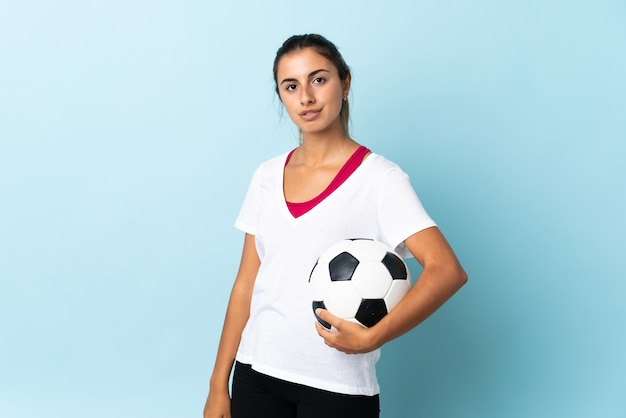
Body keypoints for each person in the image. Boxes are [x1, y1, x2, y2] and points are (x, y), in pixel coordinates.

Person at [203, 34, 467, 418]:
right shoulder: (265, 176)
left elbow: (447, 271)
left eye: (319, 79)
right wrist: (217, 385)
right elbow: (247, 282)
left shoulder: (380, 180)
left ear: (345, 83)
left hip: (337, 388)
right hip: (255, 374)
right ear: (281, 96)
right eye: (290, 86)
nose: (306, 97)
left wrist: (374, 336)